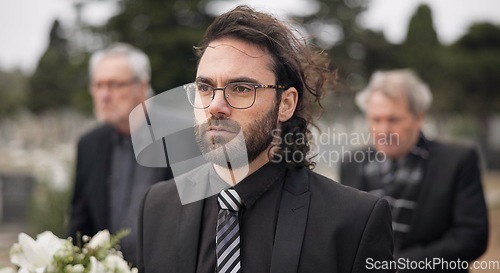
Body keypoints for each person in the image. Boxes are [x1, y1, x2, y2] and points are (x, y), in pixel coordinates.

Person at [137, 6, 394, 273]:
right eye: (205, 87)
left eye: (241, 89)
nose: (216, 105)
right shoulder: (157, 207)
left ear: (286, 103)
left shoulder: (354, 221)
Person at [341, 69, 489, 272]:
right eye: (376, 120)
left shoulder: (457, 161)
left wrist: (398, 266)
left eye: (393, 119)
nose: (383, 130)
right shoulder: (351, 163)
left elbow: (472, 237)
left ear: (419, 117)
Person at [68, 43, 172, 266]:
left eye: (115, 85)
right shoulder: (89, 145)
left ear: (142, 87)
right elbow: (79, 224)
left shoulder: (181, 135)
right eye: (98, 85)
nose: (104, 95)